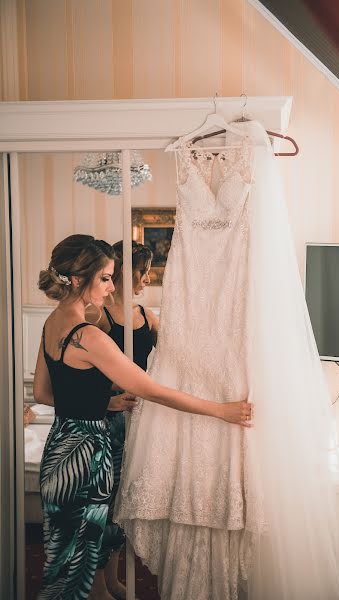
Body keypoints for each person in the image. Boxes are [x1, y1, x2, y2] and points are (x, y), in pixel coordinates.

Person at [33, 233, 251, 600]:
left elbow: (43, 393)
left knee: (61, 560)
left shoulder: (52, 324)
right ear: (77, 278)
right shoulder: (89, 336)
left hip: (59, 450)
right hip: (88, 457)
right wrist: (221, 411)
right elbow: (152, 389)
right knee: (82, 561)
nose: (109, 286)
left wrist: (101, 403)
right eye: (104, 277)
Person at [93, 240, 158, 600]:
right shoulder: (99, 317)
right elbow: (82, 375)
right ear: (123, 271)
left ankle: (115, 577)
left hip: (141, 423)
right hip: (110, 422)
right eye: (142, 271)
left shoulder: (147, 317)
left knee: (125, 503)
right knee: (104, 501)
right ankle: (99, 585)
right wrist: (110, 398)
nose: (147, 278)